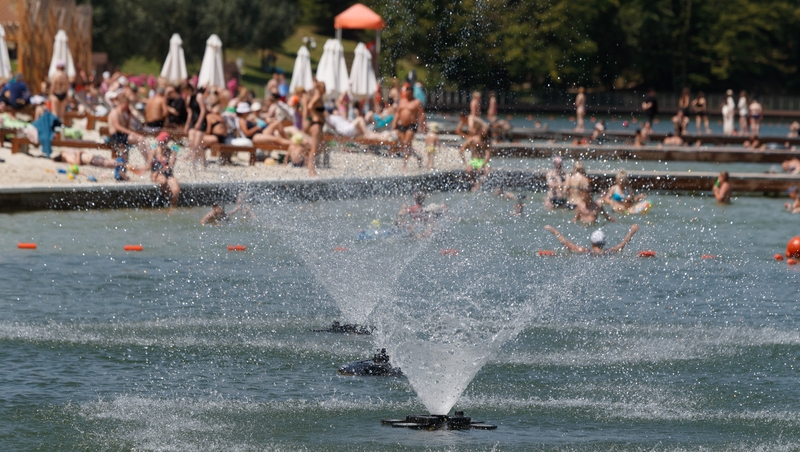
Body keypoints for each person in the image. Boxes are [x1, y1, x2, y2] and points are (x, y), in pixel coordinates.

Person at [544, 224, 639, 255]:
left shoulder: (585, 251)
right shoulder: (608, 252)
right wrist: (632, 231)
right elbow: (622, 244)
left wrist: (554, 231)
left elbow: (567, 243)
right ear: (604, 242)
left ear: (591, 242)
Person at [392, 84, 426, 169]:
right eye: (405, 91)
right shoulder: (402, 101)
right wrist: (394, 122)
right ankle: (418, 156)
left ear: (411, 92)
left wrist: (423, 125)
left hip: (412, 125)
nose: (406, 93)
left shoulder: (417, 102)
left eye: (408, 91)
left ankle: (405, 164)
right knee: (404, 145)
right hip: (401, 125)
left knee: (406, 143)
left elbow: (422, 114)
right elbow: (397, 113)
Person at [147, 132, 180, 207]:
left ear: (167, 142)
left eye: (163, 142)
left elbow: (170, 165)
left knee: (176, 191)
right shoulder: (153, 151)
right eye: (160, 141)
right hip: (157, 174)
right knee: (163, 181)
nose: (161, 143)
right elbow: (148, 166)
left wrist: (160, 171)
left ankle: (172, 207)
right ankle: (167, 199)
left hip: (168, 174)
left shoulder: (171, 152)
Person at [108, 96, 145, 161]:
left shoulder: (123, 113)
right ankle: (148, 160)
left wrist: (129, 117)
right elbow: (117, 127)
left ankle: (147, 159)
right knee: (139, 139)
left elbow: (126, 127)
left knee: (140, 139)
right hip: (116, 136)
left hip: (122, 135)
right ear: (122, 104)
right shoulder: (115, 112)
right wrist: (132, 133)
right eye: (126, 105)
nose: (127, 107)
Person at [304, 79, 326, 175]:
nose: (325, 89)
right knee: (314, 148)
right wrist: (316, 115)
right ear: (319, 88)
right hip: (316, 124)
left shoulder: (319, 96)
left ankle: (312, 169)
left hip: (318, 124)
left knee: (317, 148)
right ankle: (311, 170)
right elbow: (309, 106)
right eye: (324, 87)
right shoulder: (317, 96)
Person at [52, 149, 118, 168]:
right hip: (91, 160)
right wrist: (78, 153)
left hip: (92, 157)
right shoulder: (67, 157)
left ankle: (121, 164)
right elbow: (77, 163)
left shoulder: (67, 155)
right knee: (107, 162)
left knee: (108, 161)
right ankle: (122, 165)